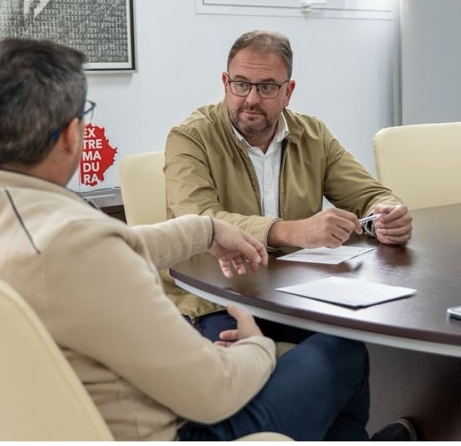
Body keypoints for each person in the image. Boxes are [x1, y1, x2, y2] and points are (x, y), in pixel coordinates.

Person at [0, 38, 373, 441]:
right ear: (73, 135)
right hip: (177, 432)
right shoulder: (74, 246)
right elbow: (214, 393)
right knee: (341, 351)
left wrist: (205, 229)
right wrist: (257, 347)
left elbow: (97, 248)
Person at [164, 30, 416, 440]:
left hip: (298, 298)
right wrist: (293, 231)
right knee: (256, 374)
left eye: (266, 87)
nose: (250, 98)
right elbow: (199, 220)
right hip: (216, 301)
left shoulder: (313, 134)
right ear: (225, 83)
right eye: (241, 84)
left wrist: (386, 213)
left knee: (347, 347)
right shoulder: (190, 137)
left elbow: (370, 193)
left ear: (289, 91)